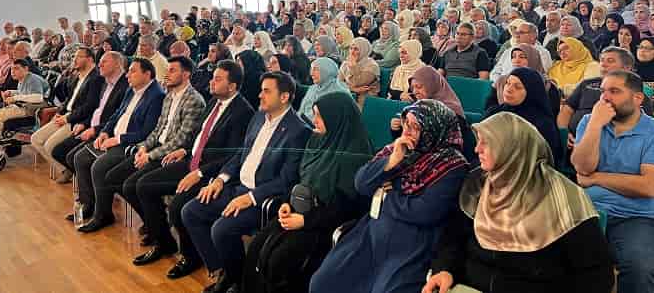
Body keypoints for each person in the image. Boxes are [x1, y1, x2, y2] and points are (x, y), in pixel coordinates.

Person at [423, 112, 613, 293]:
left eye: (486, 143)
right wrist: (446, 270)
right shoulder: (477, 185)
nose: (476, 149)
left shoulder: (562, 198)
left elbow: (596, 276)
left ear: (511, 149)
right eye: (478, 141)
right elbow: (453, 239)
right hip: (471, 286)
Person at [310, 100, 469, 293]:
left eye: (415, 127)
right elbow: (361, 184)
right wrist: (392, 161)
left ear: (433, 130)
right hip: (371, 234)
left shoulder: (452, 165)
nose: (407, 132)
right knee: (323, 282)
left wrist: (387, 194)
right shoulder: (399, 149)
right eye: (406, 123)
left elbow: (425, 211)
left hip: (412, 244)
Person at [181, 71, 311, 293]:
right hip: (237, 187)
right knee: (190, 212)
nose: (260, 95)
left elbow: (287, 180)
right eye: (261, 90)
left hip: (263, 199)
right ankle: (224, 271)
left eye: (266, 91)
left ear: (284, 97)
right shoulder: (259, 117)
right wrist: (220, 179)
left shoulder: (298, 131)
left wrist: (250, 198)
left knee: (221, 230)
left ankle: (238, 282)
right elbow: (241, 154)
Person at [124, 60, 254, 275]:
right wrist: (184, 150)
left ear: (232, 86)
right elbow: (198, 135)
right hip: (191, 161)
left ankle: (191, 257)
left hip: (209, 173)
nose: (211, 82)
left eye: (218, 79)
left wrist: (200, 173)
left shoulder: (242, 112)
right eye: (213, 78)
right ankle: (163, 242)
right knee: (143, 185)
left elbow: (231, 156)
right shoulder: (214, 101)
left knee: (178, 207)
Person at [242, 92, 373, 293]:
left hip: (324, 223)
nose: (314, 120)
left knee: (279, 261)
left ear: (336, 119)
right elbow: (300, 179)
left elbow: (347, 209)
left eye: (320, 116)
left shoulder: (356, 155)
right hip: (299, 210)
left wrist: (305, 221)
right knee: (256, 248)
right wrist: (287, 203)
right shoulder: (317, 140)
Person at [78, 56, 206, 233]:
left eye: (172, 70)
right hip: (152, 148)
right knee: (113, 177)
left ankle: (155, 226)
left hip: (172, 155)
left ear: (186, 74)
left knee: (131, 184)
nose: (167, 74)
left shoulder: (192, 100)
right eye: (167, 70)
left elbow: (181, 140)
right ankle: (152, 221)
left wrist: (149, 154)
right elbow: (158, 129)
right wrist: (144, 147)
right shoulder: (169, 96)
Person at [572, 70, 654, 293]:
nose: (605, 98)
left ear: (637, 98)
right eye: (603, 91)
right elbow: (583, 167)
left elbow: (648, 187)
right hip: (586, 211)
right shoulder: (590, 122)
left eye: (614, 91)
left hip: (635, 216)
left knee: (640, 267)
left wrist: (596, 178)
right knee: (551, 256)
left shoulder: (651, 131)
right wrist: (595, 125)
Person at [71, 58, 165, 225]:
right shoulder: (131, 89)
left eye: (133, 71)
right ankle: (88, 205)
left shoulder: (157, 96)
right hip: (113, 138)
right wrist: (105, 132)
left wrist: (118, 139)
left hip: (129, 144)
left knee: (99, 167)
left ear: (147, 74)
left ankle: (103, 215)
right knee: (80, 158)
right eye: (128, 71)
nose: (127, 75)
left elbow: (147, 132)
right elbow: (116, 115)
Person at [30, 46, 103, 182]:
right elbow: (69, 99)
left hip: (78, 120)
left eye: (78, 57)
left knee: (49, 146)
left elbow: (90, 106)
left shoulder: (96, 78)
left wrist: (68, 118)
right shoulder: (77, 76)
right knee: (35, 139)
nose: (74, 59)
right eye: (74, 56)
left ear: (89, 59)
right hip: (66, 116)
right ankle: (64, 169)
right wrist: (59, 113)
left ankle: (68, 170)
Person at [51, 51, 130, 175]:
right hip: (91, 126)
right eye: (100, 62)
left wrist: (95, 130)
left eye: (104, 62)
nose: (100, 65)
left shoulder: (125, 87)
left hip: (104, 131)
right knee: (59, 152)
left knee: (74, 157)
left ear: (117, 64)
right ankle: (81, 179)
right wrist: (85, 124)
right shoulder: (106, 83)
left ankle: (86, 182)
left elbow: (116, 118)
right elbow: (97, 110)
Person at [484, 67, 563, 164]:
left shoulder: (542, 124)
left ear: (531, 92)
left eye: (517, 87)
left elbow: (544, 160)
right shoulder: (495, 112)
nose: (508, 89)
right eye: (507, 83)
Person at [298, 57, 352, 122]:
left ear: (327, 70)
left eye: (315, 69)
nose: (311, 73)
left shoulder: (340, 92)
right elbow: (301, 112)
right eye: (311, 69)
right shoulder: (313, 88)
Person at [338, 37, 381, 108]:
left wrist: (353, 67)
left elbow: (357, 82)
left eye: (356, 49)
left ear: (364, 50)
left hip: (365, 99)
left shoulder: (372, 66)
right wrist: (352, 89)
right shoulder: (346, 63)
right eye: (351, 48)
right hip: (348, 94)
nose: (352, 52)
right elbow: (339, 84)